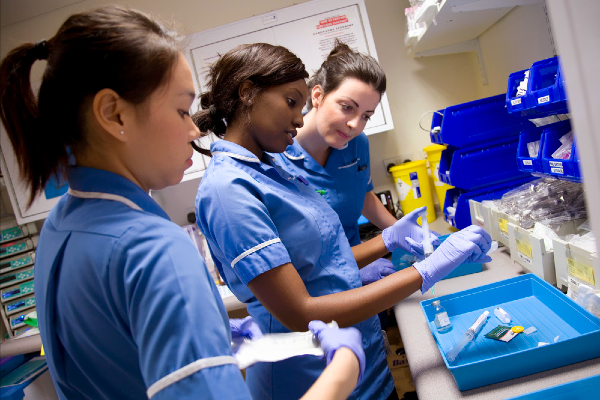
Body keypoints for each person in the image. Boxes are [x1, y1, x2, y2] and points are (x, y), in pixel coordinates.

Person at [0, 6, 366, 400]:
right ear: (113, 113)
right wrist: (343, 368)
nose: (194, 128)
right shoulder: (153, 249)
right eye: (180, 110)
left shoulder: (61, 226)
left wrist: (201, 338)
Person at [193, 42, 493, 400]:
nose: (299, 119)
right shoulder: (228, 190)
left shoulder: (273, 168)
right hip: (312, 376)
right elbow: (300, 311)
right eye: (291, 102)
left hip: (362, 362)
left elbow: (319, 265)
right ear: (247, 93)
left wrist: (386, 241)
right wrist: (426, 270)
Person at [273, 41, 434, 288]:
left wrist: (410, 234)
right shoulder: (276, 156)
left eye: (366, 116)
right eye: (347, 108)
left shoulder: (356, 143)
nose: (355, 125)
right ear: (317, 96)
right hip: (313, 290)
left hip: (359, 266)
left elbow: (362, 195)